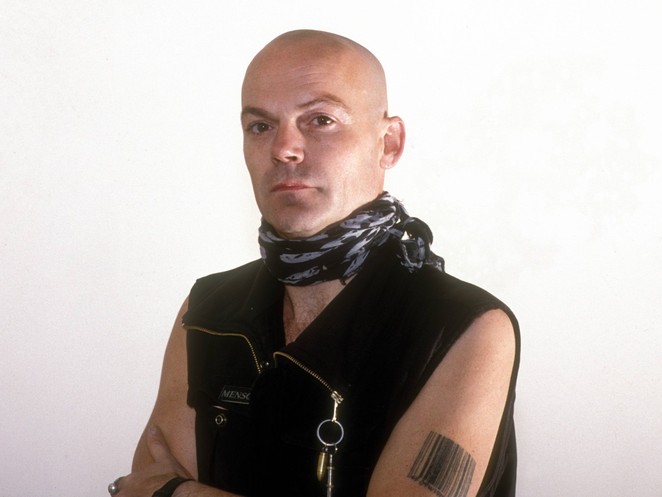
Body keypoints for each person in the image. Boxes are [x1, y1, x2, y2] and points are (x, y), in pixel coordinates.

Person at [109, 29, 520, 497]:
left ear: (388, 144)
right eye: (260, 126)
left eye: (321, 120)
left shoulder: (465, 326)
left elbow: (157, 490)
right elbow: (142, 485)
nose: (284, 148)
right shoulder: (207, 311)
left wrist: (179, 493)